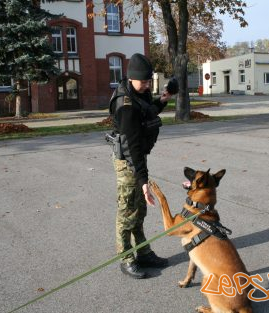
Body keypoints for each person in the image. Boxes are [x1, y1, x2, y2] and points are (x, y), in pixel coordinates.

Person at [109, 53, 172, 279]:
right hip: (128, 161)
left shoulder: (138, 93)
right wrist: (144, 181)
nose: (147, 85)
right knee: (127, 211)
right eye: (143, 81)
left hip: (137, 158)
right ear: (131, 77)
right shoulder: (125, 105)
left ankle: (143, 252)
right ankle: (126, 258)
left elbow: (148, 112)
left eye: (149, 81)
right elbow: (133, 146)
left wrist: (163, 100)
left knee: (140, 210)